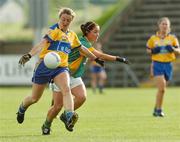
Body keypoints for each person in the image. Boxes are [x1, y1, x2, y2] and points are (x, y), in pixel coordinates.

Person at [16, 7, 104, 132]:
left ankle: (68, 115)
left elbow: (81, 48)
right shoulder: (53, 31)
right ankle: (22, 108)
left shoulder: (72, 35)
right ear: (59, 18)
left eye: (68, 20)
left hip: (61, 68)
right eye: (63, 19)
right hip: (44, 67)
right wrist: (29, 55)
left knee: (66, 89)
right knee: (34, 98)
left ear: (71, 21)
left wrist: (95, 58)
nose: (65, 22)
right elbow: (42, 44)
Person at [41, 21, 129, 135]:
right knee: (57, 106)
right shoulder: (82, 42)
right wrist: (119, 58)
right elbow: (99, 55)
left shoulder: (86, 42)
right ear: (87, 32)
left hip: (74, 76)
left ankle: (66, 116)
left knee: (81, 97)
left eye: (98, 32)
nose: (98, 34)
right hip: (62, 74)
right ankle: (46, 124)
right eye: (95, 32)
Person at [146, 17, 180, 117]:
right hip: (157, 64)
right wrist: (153, 51)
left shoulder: (172, 38)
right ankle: (159, 110)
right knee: (162, 88)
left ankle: (156, 108)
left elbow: (179, 50)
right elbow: (148, 49)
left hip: (168, 64)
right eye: (163, 24)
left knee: (162, 89)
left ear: (169, 26)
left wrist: (173, 49)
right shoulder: (153, 38)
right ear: (159, 25)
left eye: (166, 24)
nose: (164, 26)